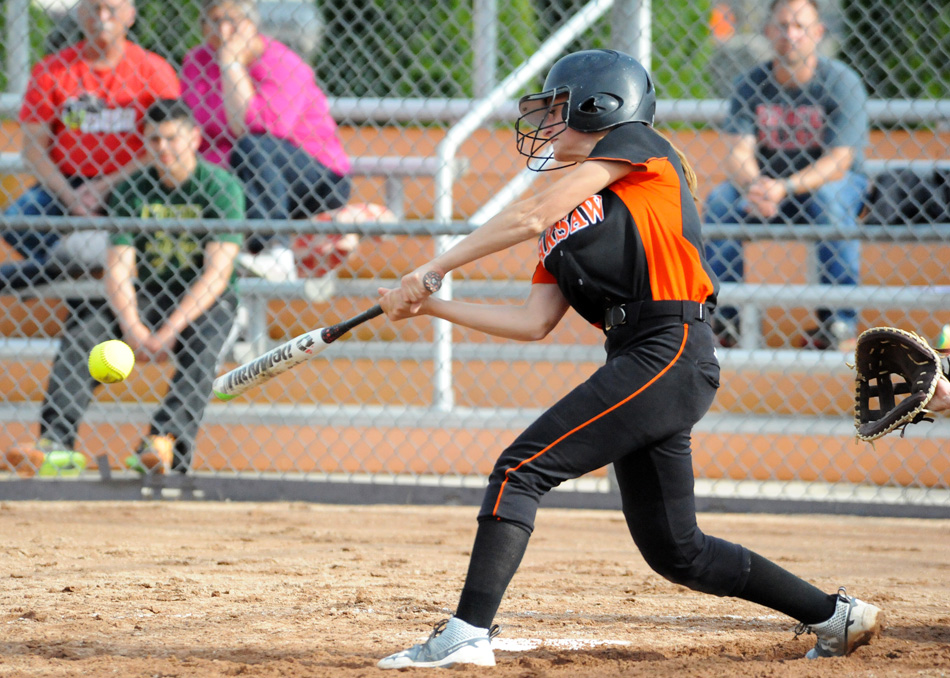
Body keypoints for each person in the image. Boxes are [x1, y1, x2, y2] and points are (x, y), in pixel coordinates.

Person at [373, 49, 883, 669]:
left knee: (520, 470)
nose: (547, 123)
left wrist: (432, 266)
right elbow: (534, 322)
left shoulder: (639, 147)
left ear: (600, 108)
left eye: (560, 110)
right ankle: (837, 616)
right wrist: (432, 307)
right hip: (640, 359)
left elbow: (530, 210)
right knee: (678, 551)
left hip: (670, 347)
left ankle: (466, 634)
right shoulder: (564, 218)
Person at [11, 99, 244, 476]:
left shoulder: (221, 188)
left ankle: (165, 442)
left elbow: (216, 274)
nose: (163, 148)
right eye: (154, 140)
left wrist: (169, 330)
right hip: (147, 290)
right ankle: (56, 443)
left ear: (195, 139)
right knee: (85, 331)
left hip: (202, 298)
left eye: (172, 138)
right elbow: (118, 268)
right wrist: (133, 325)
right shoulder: (133, 189)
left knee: (205, 342)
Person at [702, 0, 869, 350]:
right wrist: (755, 185)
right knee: (720, 202)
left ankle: (838, 322)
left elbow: (839, 162)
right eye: (781, 25)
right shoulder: (751, 83)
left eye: (800, 26)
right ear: (767, 31)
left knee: (829, 200)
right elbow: (739, 152)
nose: (790, 34)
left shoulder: (841, 81)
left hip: (828, 187)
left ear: (818, 32)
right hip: (768, 189)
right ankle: (727, 319)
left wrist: (785, 186)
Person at [1, 0, 180, 291]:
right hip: (68, 183)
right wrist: (72, 198)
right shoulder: (52, 70)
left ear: (130, 15)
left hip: (132, 182)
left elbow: (167, 146)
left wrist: (105, 186)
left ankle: (42, 272)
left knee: (143, 226)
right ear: (80, 13)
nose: (102, 17)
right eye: (94, 8)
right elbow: (33, 150)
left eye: (112, 8)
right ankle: (85, 263)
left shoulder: (153, 71)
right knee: (17, 222)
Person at [181, 0, 352, 282]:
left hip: (313, 179)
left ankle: (272, 250)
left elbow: (254, 129)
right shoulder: (196, 62)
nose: (223, 31)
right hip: (238, 174)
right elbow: (195, 129)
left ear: (252, 25)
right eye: (214, 21)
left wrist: (230, 64)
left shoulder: (282, 62)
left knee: (252, 146)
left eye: (232, 21)